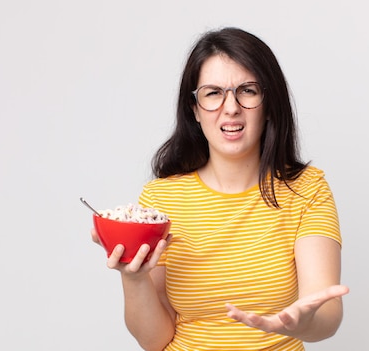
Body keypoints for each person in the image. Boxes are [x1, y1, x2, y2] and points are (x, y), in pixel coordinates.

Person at [91, 27, 348, 351]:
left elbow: (326, 311)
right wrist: (134, 277)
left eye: (248, 91)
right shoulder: (160, 200)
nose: (231, 108)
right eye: (213, 93)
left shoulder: (307, 189)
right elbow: (154, 340)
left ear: (269, 103)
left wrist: (304, 322)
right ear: (195, 109)